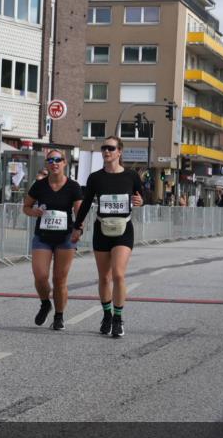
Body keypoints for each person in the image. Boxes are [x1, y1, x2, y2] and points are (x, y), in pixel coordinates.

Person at [71, 137, 144, 338]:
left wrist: (140, 200)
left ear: (119, 152)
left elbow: (142, 196)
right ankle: (107, 315)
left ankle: (118, 319)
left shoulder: (131, 176)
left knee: (118, 274)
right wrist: (77, 227)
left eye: (111, 148)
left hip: (123, 230)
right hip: (102, 229)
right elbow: (86, 204)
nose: (106, 151)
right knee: (104, 277)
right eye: (104, 148)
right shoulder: (95, 177)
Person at [23, 149, 82, 331]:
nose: (54, 163)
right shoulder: (39, 185)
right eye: (51, 160)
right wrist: (34, 212)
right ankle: (44, 303)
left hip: (65, 238)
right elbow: (26, 207)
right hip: (43, 237)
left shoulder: (73, 186)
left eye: (58, 160)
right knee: (40, 276)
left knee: (59, 279)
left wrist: (78, 229)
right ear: (47, 164)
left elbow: (79, 211)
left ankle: (59, 316)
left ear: (64, 163)